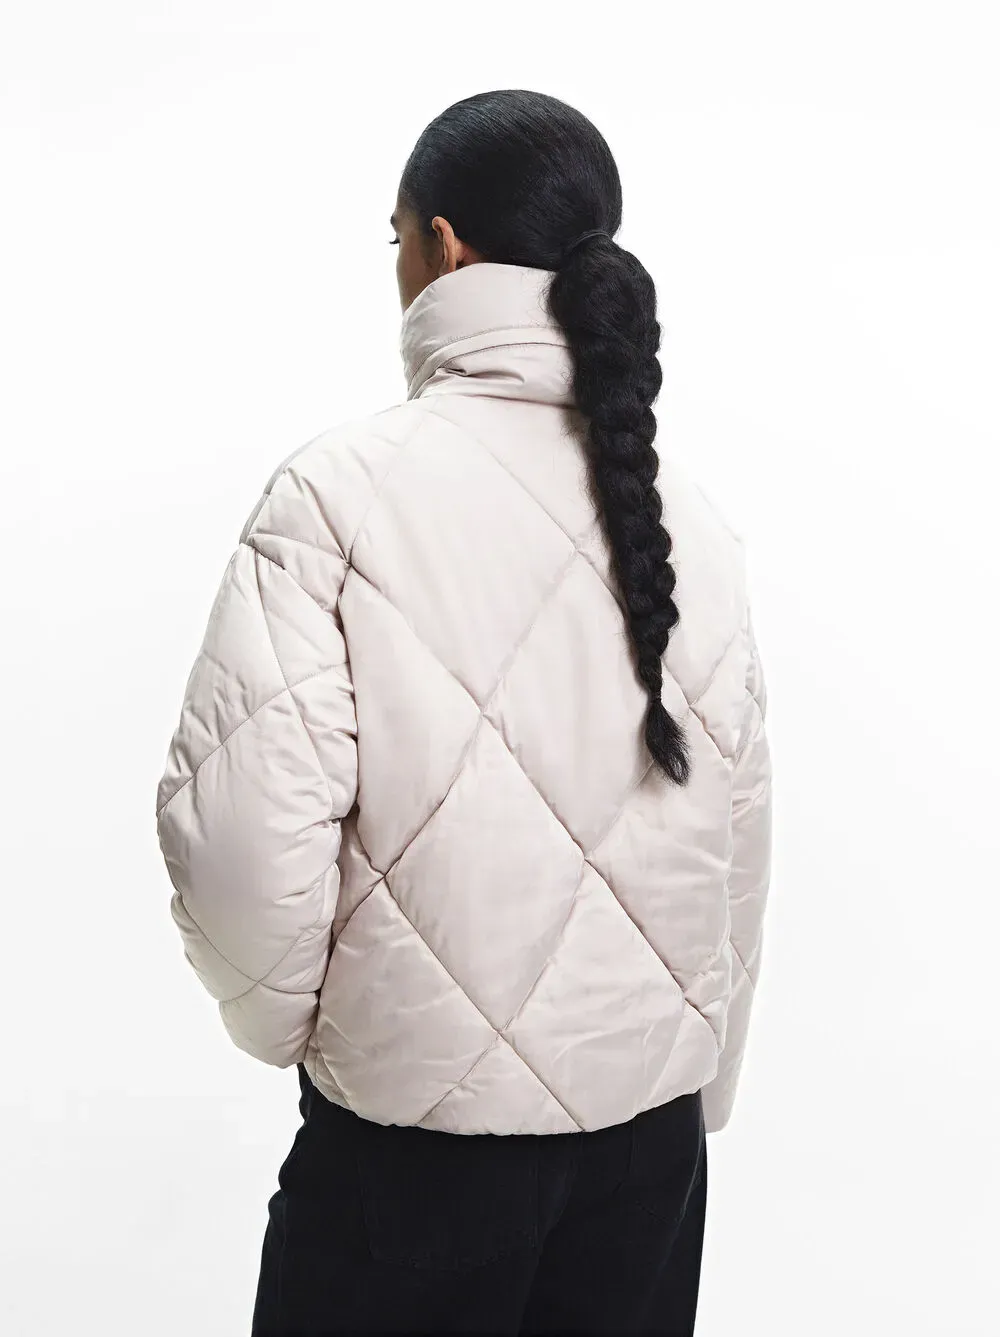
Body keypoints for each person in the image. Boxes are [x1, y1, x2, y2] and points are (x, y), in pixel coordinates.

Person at [155, 89, 773, 1336]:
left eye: (393, 238)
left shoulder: (338, 495)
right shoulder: (689, 518)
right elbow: (739, 841)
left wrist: (314, 1034)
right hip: (647, 1163)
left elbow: (237, 839)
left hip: (414, 1154)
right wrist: (698, 1079)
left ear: (441, 248)